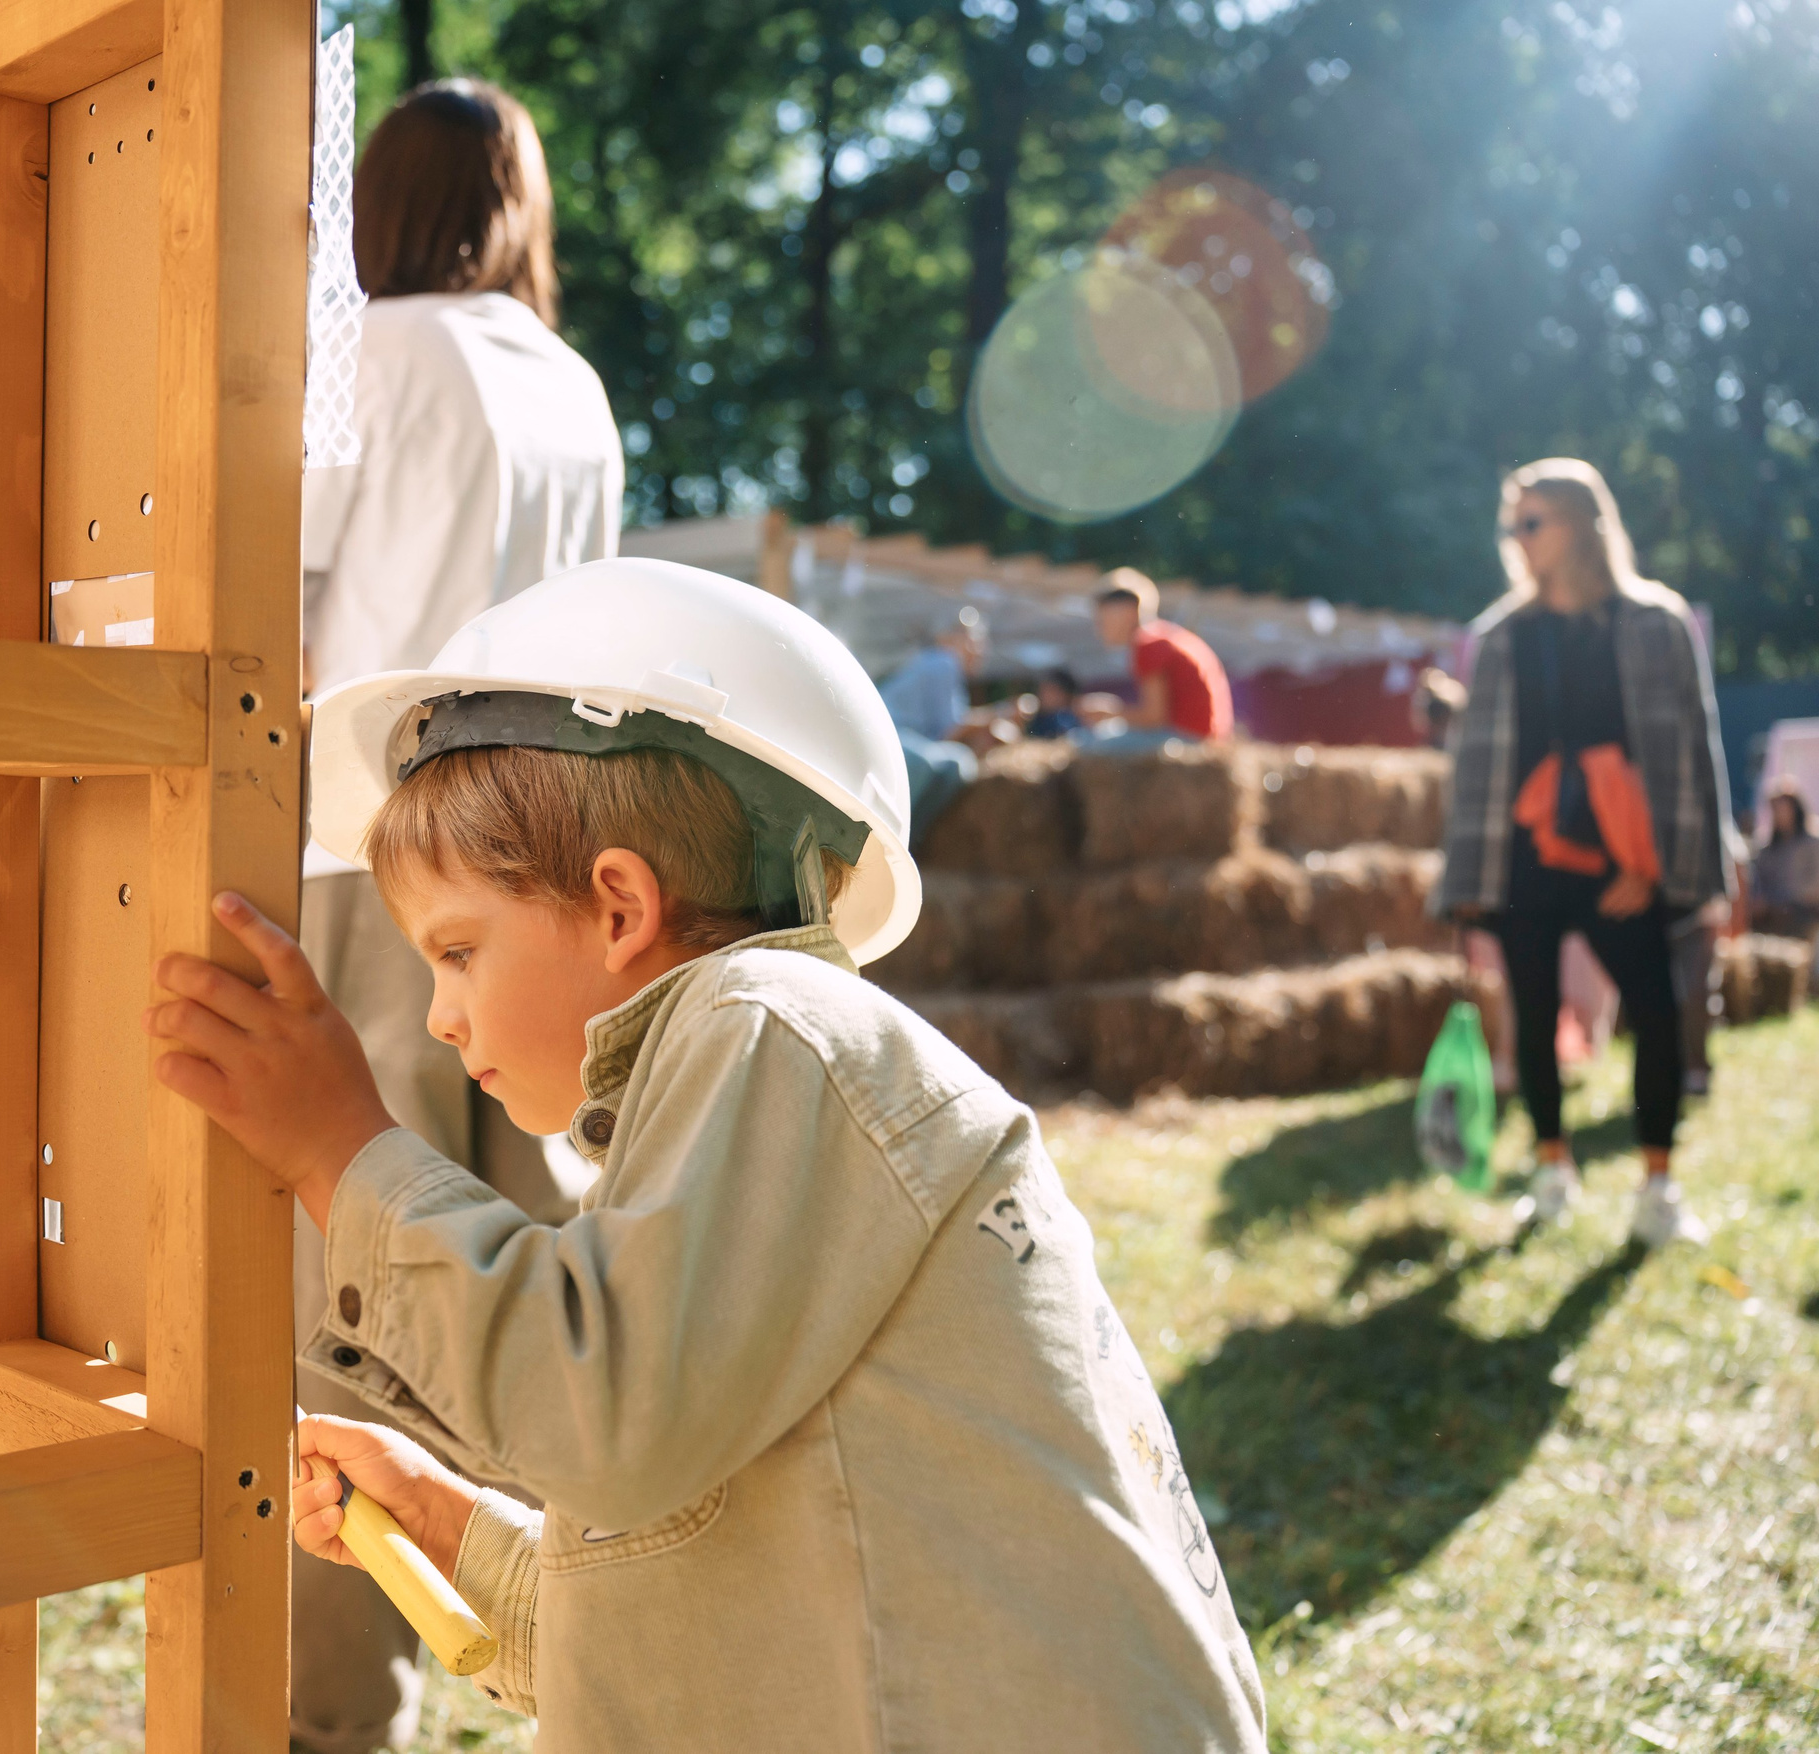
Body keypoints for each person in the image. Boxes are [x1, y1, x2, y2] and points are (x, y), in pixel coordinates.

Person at [148, 560, 1266, 1753]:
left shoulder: (774, 1022)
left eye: (458, 950)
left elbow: (613, 1423)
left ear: (619, 904)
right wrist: (452, 1526)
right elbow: (723, 1589)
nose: (438, 1013)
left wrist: (339, 1147)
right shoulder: (742, 1091)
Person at [292, 76, 622, 1754]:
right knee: (515, 1282)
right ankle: (570, 1625)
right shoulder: (574, 387)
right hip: (533, 863)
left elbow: (261, 575)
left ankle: (330, 1706)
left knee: (348, 1280)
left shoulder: (375, 349)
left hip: (356, 842)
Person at [1434, 459, 1736, 1247]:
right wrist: (1467, 881)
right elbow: (1477, 768)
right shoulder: (1501, 636)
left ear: (1582, 524)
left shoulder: (1655, 622)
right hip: (1525, 860)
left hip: (1625, 862)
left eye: (1533, 523)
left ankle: (1658, 1186)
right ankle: (1551, 1169)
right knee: (1532, 1020)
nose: (1520, 541)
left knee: (1660, 1017)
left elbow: (1690, 755)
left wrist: (1668, 866)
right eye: (1513, 526)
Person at [876, 605, 985, 842]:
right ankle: (887, 839)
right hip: (889, 737)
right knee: (924, 763)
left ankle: (909, 843)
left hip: (904, 739)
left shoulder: (945, 668)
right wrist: (997, 716)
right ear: (949, 639)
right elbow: (949, 729)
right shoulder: (943, 662)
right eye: (973, 640)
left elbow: (946, 735)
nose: (979, 650)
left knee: (959, 763)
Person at [1092, 568, 1234, 742]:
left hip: (1187, 739)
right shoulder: (1165, 635)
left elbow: (1155, 718)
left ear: (1129, 610)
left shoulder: (1148, 643)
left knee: (1090, 741)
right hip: (1206, 739)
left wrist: (1110, 712)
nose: (1099, 626)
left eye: (1102, 616)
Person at [1748, 778, 1819, 941]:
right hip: (1770, 918)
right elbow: (1757, 879)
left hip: (1803, 916)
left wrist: (1782, 901)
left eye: (1784, 808)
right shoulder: (1769, 849)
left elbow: (1815, 885)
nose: (1780, 814)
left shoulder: (1813, 844)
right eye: (1776, 809)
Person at [1024, 664, 1087, 739]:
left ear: (1065, 695)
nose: (1043, 695)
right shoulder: (1034, 717)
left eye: (1049, 691)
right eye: (1042, 690)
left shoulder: (1067, 719)